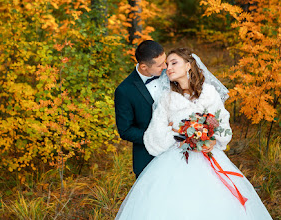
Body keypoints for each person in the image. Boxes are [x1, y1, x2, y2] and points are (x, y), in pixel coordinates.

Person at [115, 48, 273, 220]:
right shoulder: (166, 98)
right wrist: (176, 134)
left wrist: (212, 139)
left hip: (208, 157)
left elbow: (223, 123)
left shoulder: (209, 93)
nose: (168, 68)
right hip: (175, 160)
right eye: (167, 65)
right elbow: (155, 136)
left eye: (174, 63)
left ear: (189, 65)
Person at [114, 40, 167, 178]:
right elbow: (125, 130)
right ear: (143, 66)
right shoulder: (124, 91)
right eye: (160, 65)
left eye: (165, 61)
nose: (166, 66)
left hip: (179, 152)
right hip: (147, 158)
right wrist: (155, 137)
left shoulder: (171, 75)